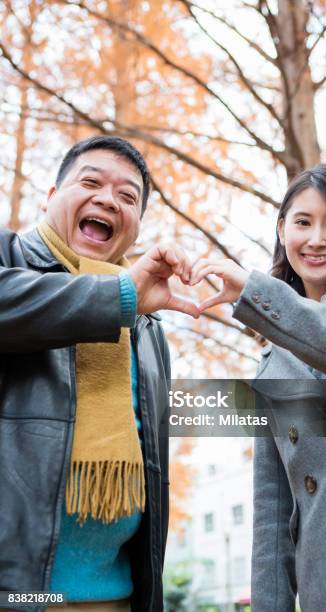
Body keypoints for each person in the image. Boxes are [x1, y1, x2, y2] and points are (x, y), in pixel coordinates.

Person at [190, 163, 326, 612]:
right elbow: (271, 512)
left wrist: (259, 296)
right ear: (281, 229)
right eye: (303, 222)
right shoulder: (271, 364)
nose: (316, 239)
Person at [0, 135, 199, 612]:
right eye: (90, 182)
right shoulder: (10, 259)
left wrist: (290, 396)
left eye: (128, 196)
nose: (108, 199)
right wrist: (121, 298)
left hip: (114, 596)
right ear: (51, 197)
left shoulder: (145, 320)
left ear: (135, 226)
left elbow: (160, 429)